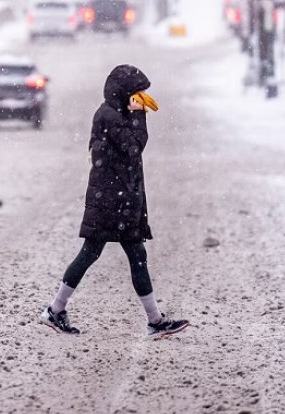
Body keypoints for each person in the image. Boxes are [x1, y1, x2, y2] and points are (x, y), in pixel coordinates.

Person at [40, 64, 189, 338]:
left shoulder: (113, 112)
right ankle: (153, 321)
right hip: (112, 202)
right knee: (108, 254)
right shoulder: (111, 116)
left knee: (113, 254)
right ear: (125, 92)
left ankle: (57, 309)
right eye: (138, 92)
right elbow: (134, 147)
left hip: (117, 200)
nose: (142, 97)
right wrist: (139, 114)